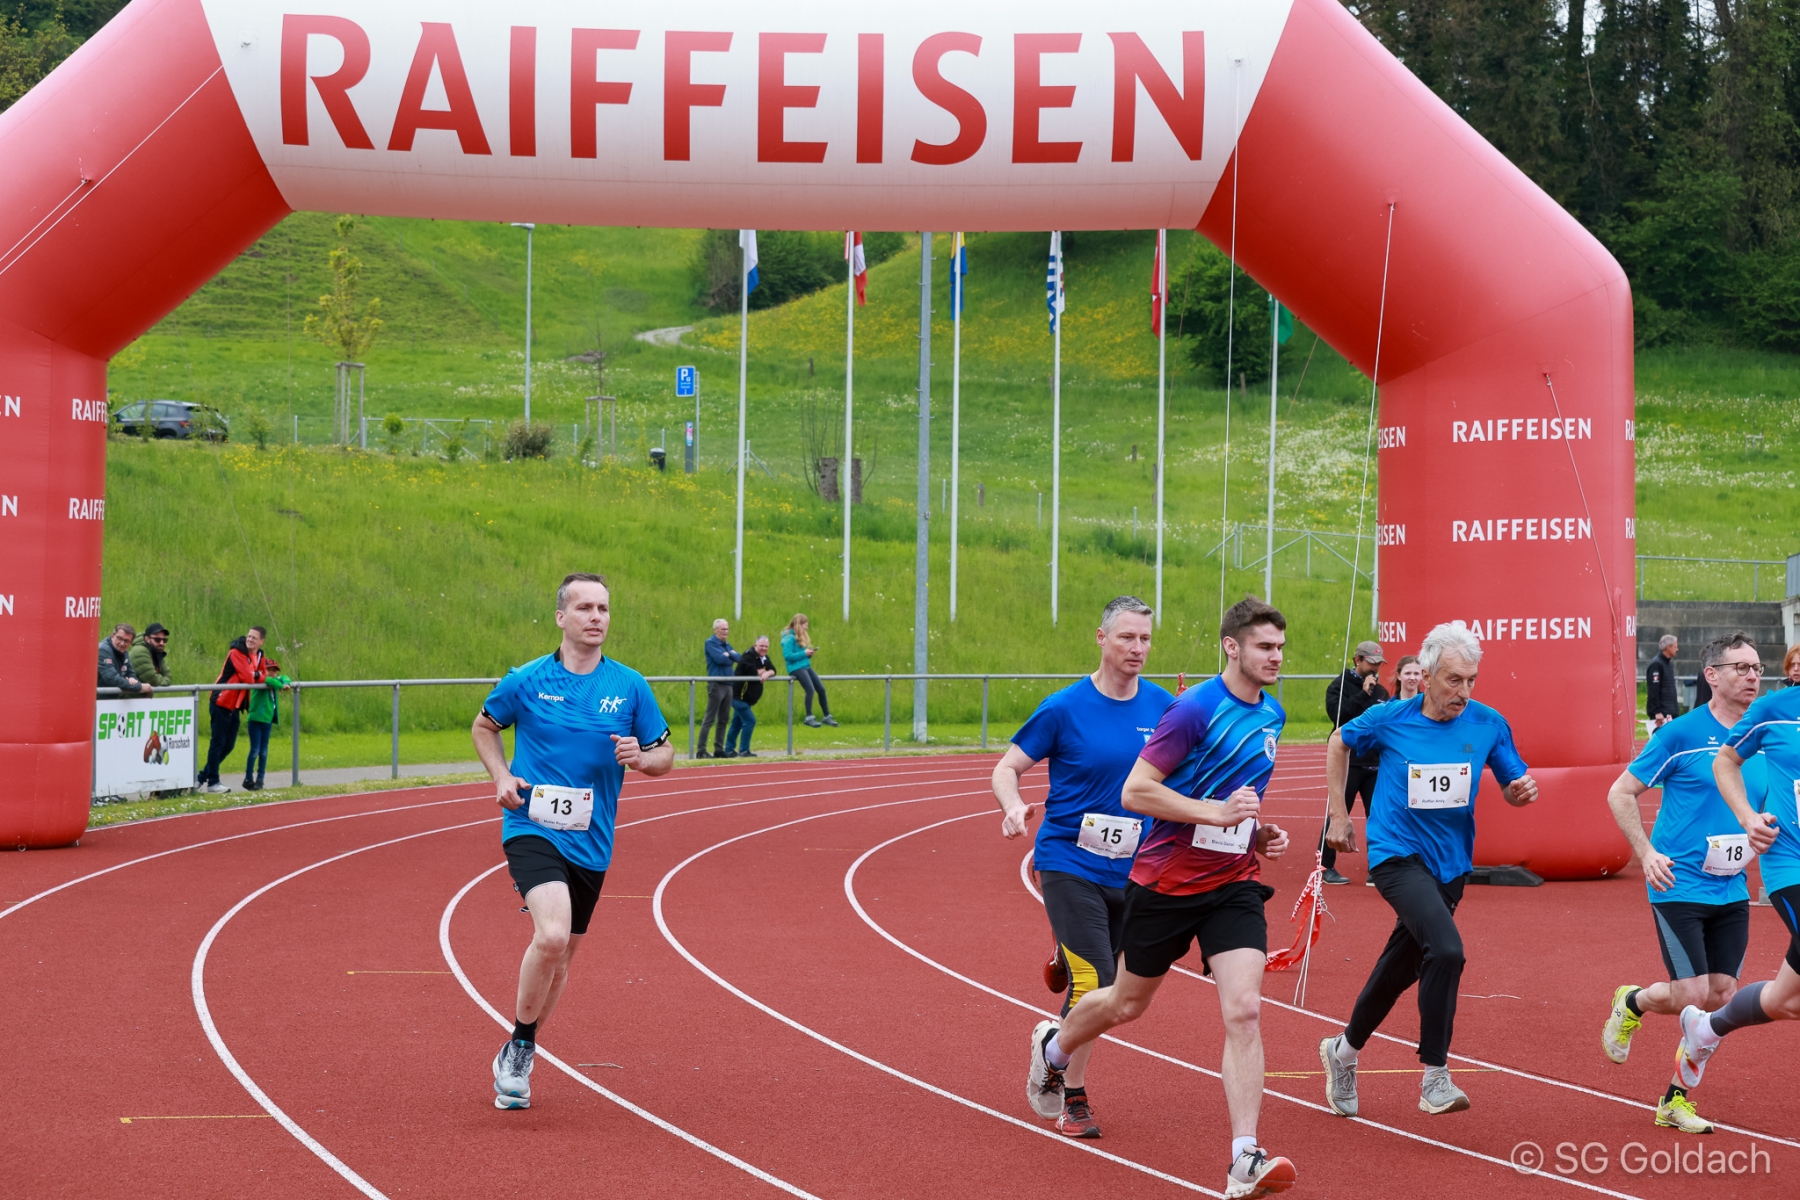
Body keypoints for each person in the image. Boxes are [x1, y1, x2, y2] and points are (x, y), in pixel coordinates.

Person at [1027, 595, 1296, 1198]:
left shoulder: (1272, 715)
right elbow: (1136, 791)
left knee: (1245, 1009)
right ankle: (1055, 1046)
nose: (1276, 656)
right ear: (1232, 647)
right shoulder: (1194, 709)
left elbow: (1234, 799)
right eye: (1264, 646)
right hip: (1165, 884)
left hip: (1233, 885)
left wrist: (1256, 831)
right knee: (1124, 1003)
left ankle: (1244, 1158)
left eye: (1281, 647)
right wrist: (1216, 813)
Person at [1318, 622, 1537, 1119]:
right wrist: (1338, 814)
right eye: (1454, 680)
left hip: (1450, 865)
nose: (1463, 691)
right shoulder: (1390, 718)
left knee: (1401, 967)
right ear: (1427, 675)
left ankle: (1342, 1052)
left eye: (1471, 680)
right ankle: (1435, 1075)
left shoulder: (1488, 723)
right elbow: (1337, 742)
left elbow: (1512, 783)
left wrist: (1520, 792)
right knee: (1448, 950)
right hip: (1395, 855)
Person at [471, 573, 673, 1111]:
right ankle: (520, 1050)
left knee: (562, 959)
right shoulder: (526, 680)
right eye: (584, 607)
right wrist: (501, 776)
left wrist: (642, 758)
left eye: (603, 608)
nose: (596, 617)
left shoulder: (629, 686)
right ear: (561, 617)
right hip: (531, 825)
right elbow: (484, 727)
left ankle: (520, 1044)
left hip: (592, 840)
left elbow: (666, 755)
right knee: (553, 935)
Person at [994, 595, 1173, 1139]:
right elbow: (1007, 767)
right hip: (1068, 860)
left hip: (1134, 869)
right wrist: (1012, 807)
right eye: (1126, 637)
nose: (1137, 648)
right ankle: (1070, 1090)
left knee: (1113, 995)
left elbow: (1189, 778)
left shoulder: (1165, 707)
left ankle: (1054, 1030)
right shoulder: (1064, 707)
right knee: (1098, 979)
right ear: (1101, 638)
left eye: (1145, 638)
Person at [1600, 633, 1765, 1134]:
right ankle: (1632, 1005)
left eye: (1757, 668)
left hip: (1731, 884)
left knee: (1722, 996)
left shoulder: (1765, 735)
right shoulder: (1682, 734)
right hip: (1677, 881)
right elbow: (1620, 792)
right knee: (1692, 992)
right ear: (1712, 675)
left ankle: (1674, 1095)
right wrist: (1646, 852)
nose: (1753, 676)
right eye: (1741, 668)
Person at [1669, 638, 1800, 1092]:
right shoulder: (1774, 710)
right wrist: (1748, 817)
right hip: (1791, 862)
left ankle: (1707, 1028)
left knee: (1785, 1002)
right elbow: (1726, 760)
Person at [1320, 641, 1389, 885]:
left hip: (1374, 763)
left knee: (1378, 817)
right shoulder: (1339, 686)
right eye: (1371, 663)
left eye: (1379, 664)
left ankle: (1377, 867)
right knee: (1337, 813)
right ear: (1357, 660)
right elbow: (1340, 717)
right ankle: (1324, 867)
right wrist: (1363, 693)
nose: (1376, 669)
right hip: (1348, 763)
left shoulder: (1382, 692)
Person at [197, 626, 268, 794]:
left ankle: (200, 778)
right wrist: (255, 675)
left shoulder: (260, 655)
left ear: (261, 641)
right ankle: (212, 782)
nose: (250, 639)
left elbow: (264, 675)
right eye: (249, 636)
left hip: (235, 705)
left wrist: (256, 675)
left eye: (254, 637)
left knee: (229, 745)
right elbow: (248, 678)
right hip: (222, 701)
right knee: (218, 743)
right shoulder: (237, 652)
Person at [242, 660, 295, 792]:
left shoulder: (276, 680)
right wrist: (281, 685)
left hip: (267, 720)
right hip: (255, 719)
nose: (272, 673)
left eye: (274, 670)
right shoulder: (260, 680)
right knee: (255, 750)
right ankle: (248, 778)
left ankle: (260, 779)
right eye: (269, 669)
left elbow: (285, 677)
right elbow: (268, 680)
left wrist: (285, 683)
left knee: (264, 751)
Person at [783, 613, 837, 728]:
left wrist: (809, 654)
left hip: (805, 666)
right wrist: (804, 653)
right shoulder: (788, 638)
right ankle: (809, 717)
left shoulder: (800, 636)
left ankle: (827, 716)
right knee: (810, 690)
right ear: (799, 625)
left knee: (821, 689)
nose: (806, 628)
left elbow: (802, 655)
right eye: (805, 625)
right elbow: (788, 656)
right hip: (795, 668)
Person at [726, 635, 776, 757]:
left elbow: (773, 669)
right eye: (761, 646)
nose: (764, 648)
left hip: (747, 699)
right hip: (738, 696)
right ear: (755, 645)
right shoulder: (748, 656)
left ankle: (728, 749)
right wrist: (761, 671)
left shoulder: (763, 658)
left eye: (766, 646)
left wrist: (767, 673)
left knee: (737, 723)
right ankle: (744, 750)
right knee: (750, 720)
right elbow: (752, 671)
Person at [697, 618, 739, 759]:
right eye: (723, 629)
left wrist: (730, 655)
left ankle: (719, 749)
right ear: (715, 630)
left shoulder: (727, 645)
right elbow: (720, 659)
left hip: (729, 684)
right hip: (716, 684)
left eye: (727, 629)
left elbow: (738, 658)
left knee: (723, 719)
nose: (726, 632)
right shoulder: (710, 643)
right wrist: (730, 656)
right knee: (710, 718)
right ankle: (701, 750)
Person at [98, 623, 152, 696]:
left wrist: (133, 680)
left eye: (126, 641)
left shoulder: (123, 651)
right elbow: (111, 678)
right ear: (112, 636)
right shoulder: (103, 650)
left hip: (112, 698)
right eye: (119, 638)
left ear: (131, 642)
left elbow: (130, 673)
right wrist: (139, 687)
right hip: (96, 699)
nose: (122, 643)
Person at [1646, 635, 1681, 728]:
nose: (1677, 649)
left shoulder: (1668, 664)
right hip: (1662, 715)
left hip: (1670, 712)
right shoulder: (1656, 664)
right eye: (1675, 646)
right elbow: (1653, 689)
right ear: (1668, 647)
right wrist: (1656, 711)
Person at [130, 622, 173, 687]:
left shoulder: (156, 652)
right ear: (147, 639)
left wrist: (161, 679)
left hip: (139, 693)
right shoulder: (140, 652)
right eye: (157, 640)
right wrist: (163, 680)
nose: (162, 643)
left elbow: (168, 676)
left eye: (164, 640)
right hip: (127, 693)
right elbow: (153, 680)